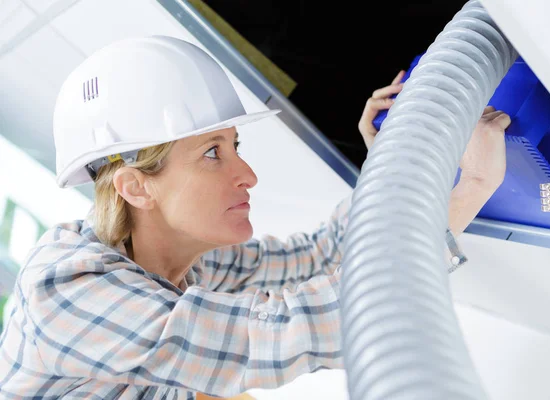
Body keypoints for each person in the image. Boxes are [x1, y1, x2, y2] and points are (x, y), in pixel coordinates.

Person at [0, 35, 510, 399]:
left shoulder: (183, 260)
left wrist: (390, 161)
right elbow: (279, 333)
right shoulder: (66, 292)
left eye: (234, 145)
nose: (247, 175)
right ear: (135, 187)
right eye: (211, 153)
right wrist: (474, 190)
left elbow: (314, 257)